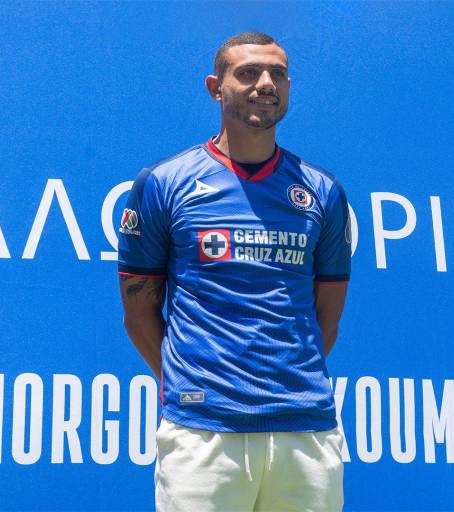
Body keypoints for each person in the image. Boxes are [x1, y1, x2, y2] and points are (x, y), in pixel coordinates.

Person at [117, 31, 351, 512]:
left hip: (305, 429)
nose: (265, 83)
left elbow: (326, 317)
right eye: (248, 73)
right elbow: (139, 312)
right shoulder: (163, 183)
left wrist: (282, 383)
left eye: (277, 74)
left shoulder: (322, 191)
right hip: (203, 434)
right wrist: (195, 386)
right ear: (215, 88)